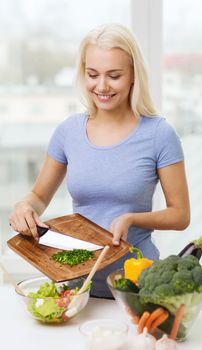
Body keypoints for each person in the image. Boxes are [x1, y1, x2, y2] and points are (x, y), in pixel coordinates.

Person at [9, 23, 190, 298]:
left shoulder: (159, 134)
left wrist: (131, 218)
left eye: (114, 75)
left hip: (137, 285)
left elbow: (180, 215)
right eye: (93, 74)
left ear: (133, 76)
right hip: (76, 285)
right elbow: (38, 196)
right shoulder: (68, 132)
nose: (102, 86)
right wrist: (24, 207)